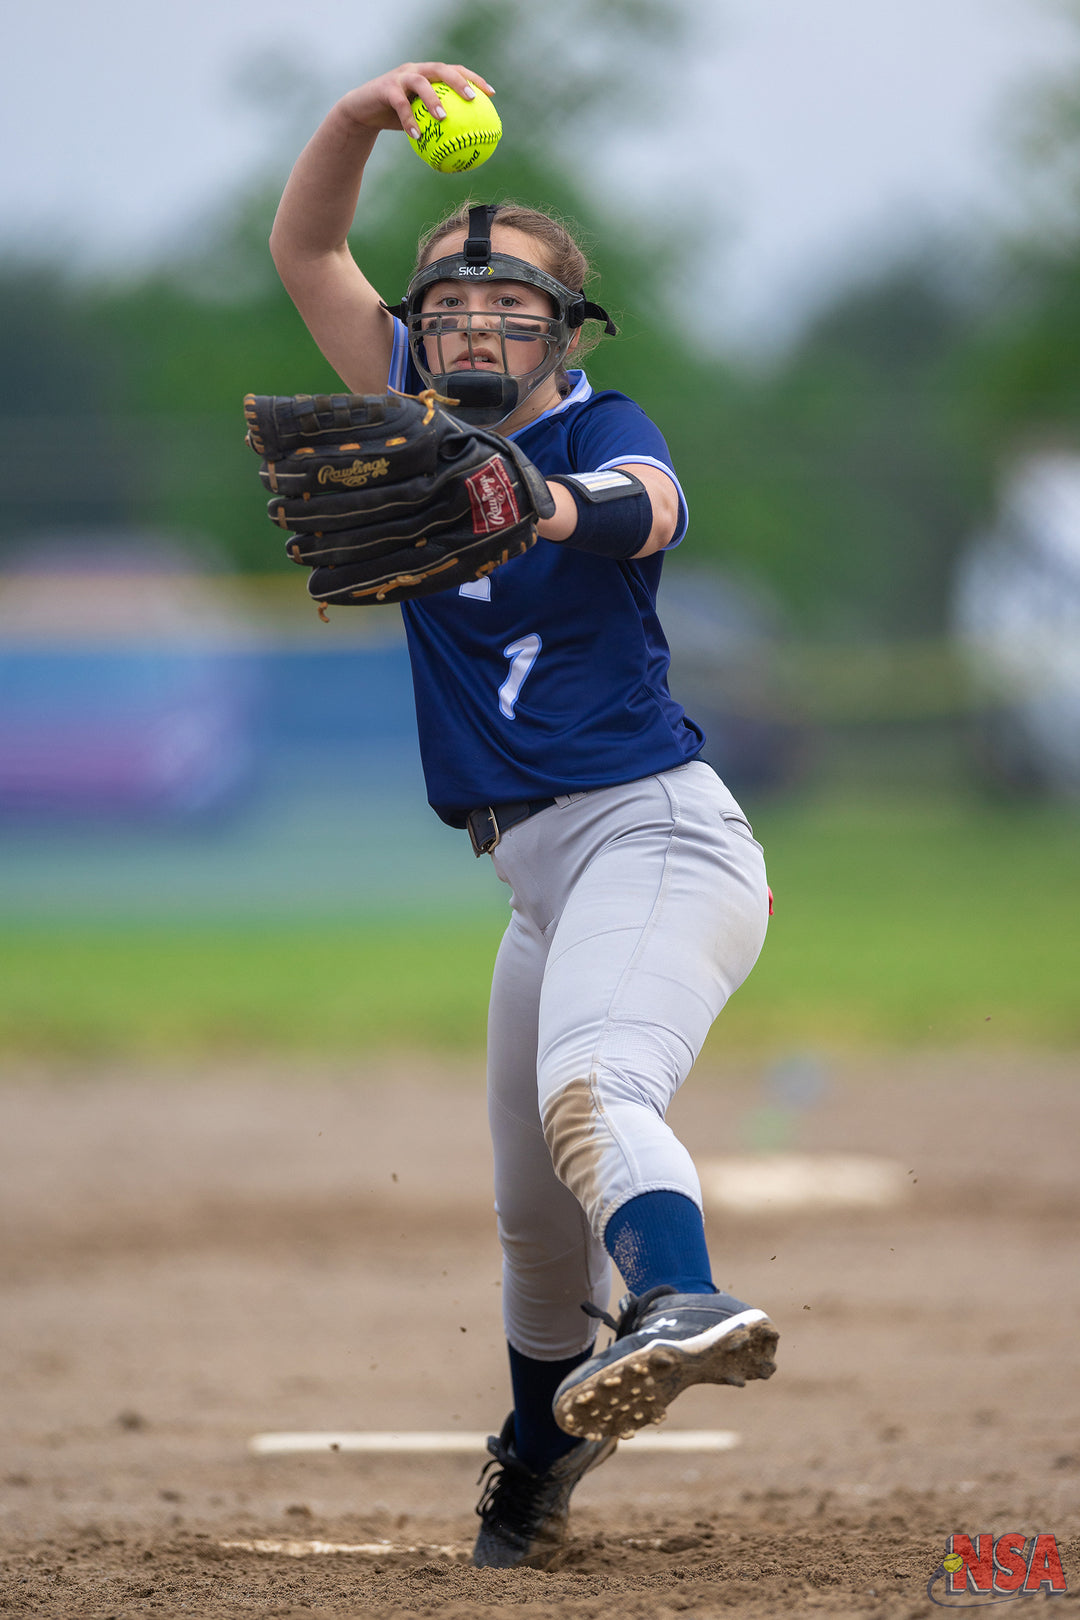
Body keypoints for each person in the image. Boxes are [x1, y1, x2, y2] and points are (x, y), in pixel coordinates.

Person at [269, 60, 778, 1570]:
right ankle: (532, 1470)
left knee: (596, 1095)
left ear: (567, 334)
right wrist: (359, 119)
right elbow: (306, 252)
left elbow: (651, 504)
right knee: (533, 1231)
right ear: (417, 329)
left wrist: (542, 503)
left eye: (512, 309)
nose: (474, 325)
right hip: (538, 881)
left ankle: (686, 1297)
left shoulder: (597, 425)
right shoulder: (407, 416)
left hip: (655, 833)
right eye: (448, 305)